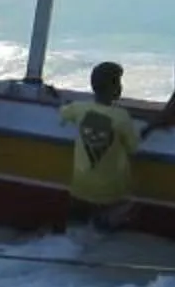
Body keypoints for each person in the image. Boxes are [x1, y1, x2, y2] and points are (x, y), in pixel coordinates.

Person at [57, 60, 140, 232]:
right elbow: (133, 147)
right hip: (110, 192)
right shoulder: (122, 117)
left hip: (79, 186)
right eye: (118, 83)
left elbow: (63, 112)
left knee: (75, 224)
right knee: (128, 208)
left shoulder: (79, 108)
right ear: (115, 89)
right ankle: (102, 225)